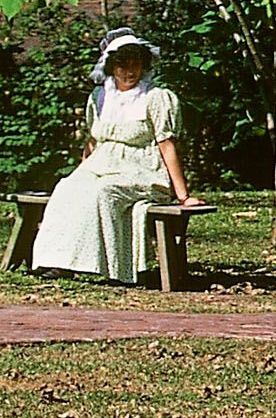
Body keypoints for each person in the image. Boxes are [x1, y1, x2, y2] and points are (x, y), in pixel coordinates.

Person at [30, 30, 196, 284]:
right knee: (66, 189)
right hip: (101, 163)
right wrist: (81, 172)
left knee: (104, 192)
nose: (129, 72)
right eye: (122, 66)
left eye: (135, 65)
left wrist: (182, 195)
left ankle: (107, 266)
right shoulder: (100, 97)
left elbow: (167, 145)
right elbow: (93, 140)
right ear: (111, 67)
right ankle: (56, 261)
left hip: (141, 168)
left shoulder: (155, 98)